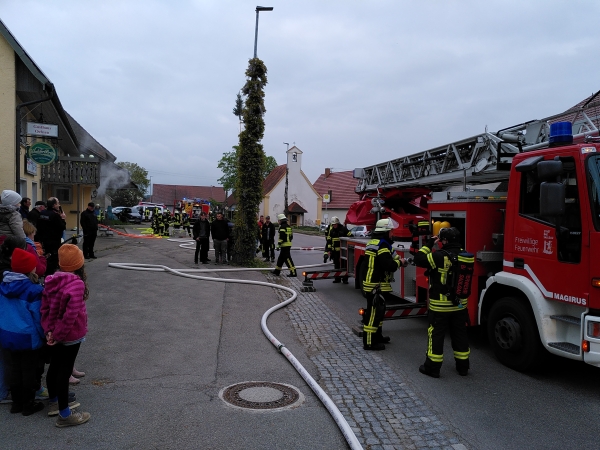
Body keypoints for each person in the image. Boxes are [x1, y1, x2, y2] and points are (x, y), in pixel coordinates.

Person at [41, 244, 90, 427]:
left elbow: (44, 309)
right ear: (78, 264)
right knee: (64, 371)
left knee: (54, 368)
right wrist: (60, 335)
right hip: (69, 335)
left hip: (54, 333)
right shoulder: (76, 284)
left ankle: (54, 401)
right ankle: (65, 414)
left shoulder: (51, 280)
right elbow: (70, 315)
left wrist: (49, 331)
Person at [414, 227, 471, 378]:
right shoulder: (465, 254)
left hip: (440, 305)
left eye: (441, 240)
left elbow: (418, 259)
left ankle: (432, 368)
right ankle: (463, 367)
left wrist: (429, 244)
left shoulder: (438, 256)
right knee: (460, 334)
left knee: (436, 334)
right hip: (460, 305)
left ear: (444, 241)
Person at [0, 248, 45, 416]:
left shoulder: (3, 286)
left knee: (14, 368)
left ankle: (16, 403)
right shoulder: (33, 290)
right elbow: (38, 317)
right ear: (30, 268)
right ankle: (28, 404)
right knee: (29, 371)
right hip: (27, 336)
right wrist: (44, 334)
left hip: (7, 333)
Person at [360, 218, 407, 350]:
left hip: (373, 283)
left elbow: (390, 256)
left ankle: (378, 336)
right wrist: (400, 263)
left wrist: (400, 259)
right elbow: (389, 265)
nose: (393, 233)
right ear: (385, 231)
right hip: (376, 285)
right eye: (391, 230)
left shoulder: (377, 242)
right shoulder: (383, 245)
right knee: (373, 314)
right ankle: (369, 342)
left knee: (378, 313)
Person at [35, 198, 66, 276]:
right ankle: (51, 277)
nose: (59, 205)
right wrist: (62, 219)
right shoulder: (55, 215)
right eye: (58, 203)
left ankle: (46, 273)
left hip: (44, 240)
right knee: (53, 259)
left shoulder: (42, 213)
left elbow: (38, 226)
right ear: (54, 205)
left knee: (46, 257)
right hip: (54, 241)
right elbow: (62, 227)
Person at [324, 216, 352, 284]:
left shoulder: (343, 229)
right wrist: (328, 251)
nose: (334, 226)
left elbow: (351, 236)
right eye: (333, 225)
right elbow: (329, 242)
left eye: (335, 224)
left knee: (344, 265)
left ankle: (345, 279)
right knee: (337, 265)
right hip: (335, 252)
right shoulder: (332, 231)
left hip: (344, 251)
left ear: (338, 223)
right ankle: (337, 279)